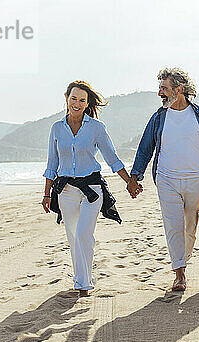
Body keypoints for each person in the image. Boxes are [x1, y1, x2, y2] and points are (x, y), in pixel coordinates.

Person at [127, 68, 199, 291]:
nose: (160, 94)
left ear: (179, 89)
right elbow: (145, 149)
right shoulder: (158, 118)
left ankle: (182, 260)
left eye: (164, 89)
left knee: (189, 226)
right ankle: (179, 273)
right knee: (173, 226)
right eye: (160, 89)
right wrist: (135, 177)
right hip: (166, 179)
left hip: (197, 179)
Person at [42, 80, 141, 297]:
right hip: (65, 190)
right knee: (73, 236)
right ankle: (83, 277)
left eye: (81, 100)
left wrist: (129, 182)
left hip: (92, 189)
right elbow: (52, 163)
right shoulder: (57, 128)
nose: (77, 103)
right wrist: (46, 194)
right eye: (73, 98)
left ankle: (83, 283)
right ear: (67, 99)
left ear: (87, 104)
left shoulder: (96, 128)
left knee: (84, 234)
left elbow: (112, 159)